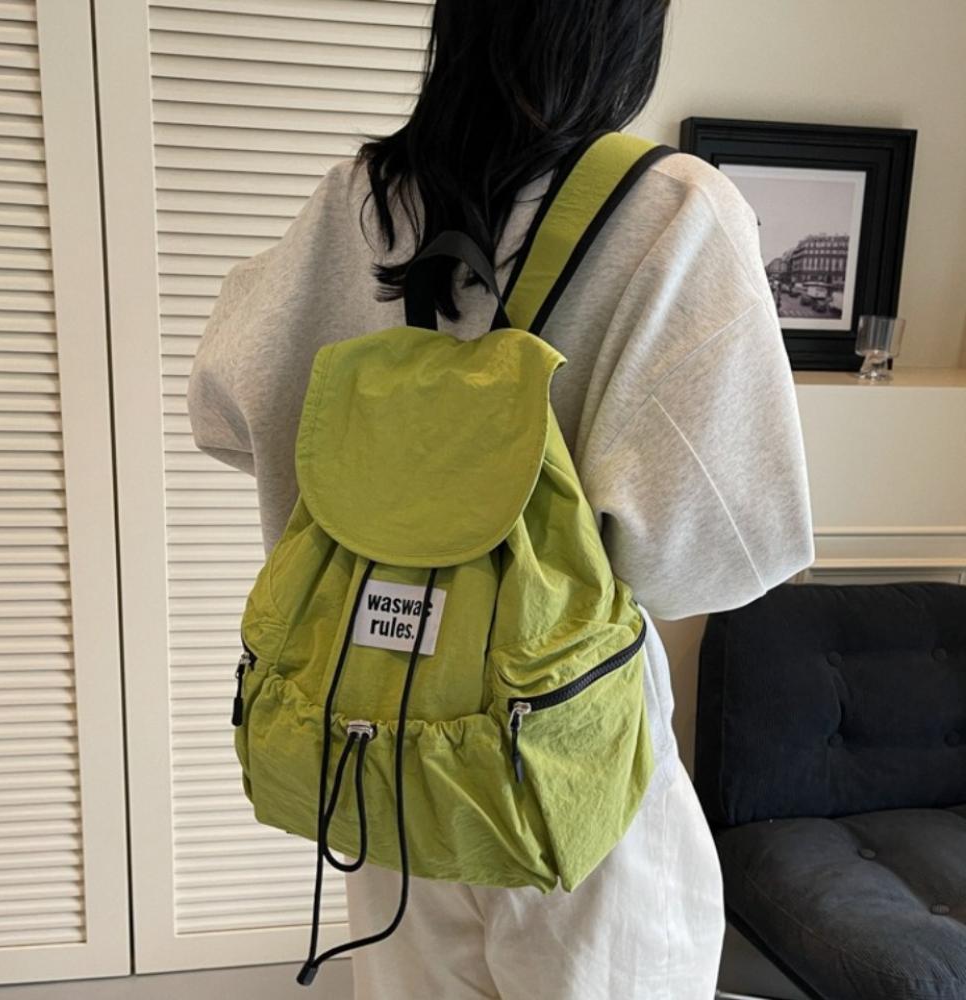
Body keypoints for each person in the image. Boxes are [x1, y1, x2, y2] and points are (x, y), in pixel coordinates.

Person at [187, 1, 816, 997]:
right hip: (565, 740)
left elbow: (225, 415)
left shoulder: (355, 200)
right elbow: (707, 557)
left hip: (377, 729)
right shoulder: (675, 209)